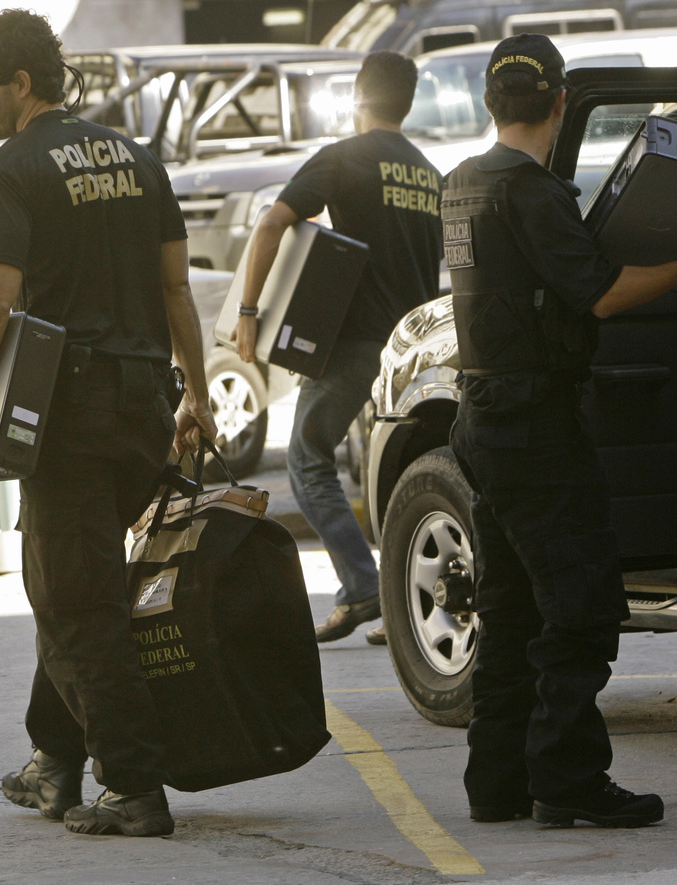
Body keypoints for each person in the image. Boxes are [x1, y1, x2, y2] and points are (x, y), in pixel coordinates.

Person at [443, 34, 677, 828]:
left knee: (513, 607)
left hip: (481, 419)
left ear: (493, 103)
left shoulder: (461, 184)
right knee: (580, 607)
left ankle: (497, 783)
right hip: (536, 426)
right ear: (558, 103)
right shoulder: (534, 191)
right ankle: (568, 776)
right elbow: (600, 294)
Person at [0, 10, 216, 837]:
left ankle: (130, 784)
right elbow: (175, 291)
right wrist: (195, 393)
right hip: (142, 411)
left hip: (70, 416)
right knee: (75, 577)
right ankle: (54, 760)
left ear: (21, 84)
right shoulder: (138, 156)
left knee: (74, 597)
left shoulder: (9, 169)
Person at [233, 51, 443, 643]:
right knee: (393, 472)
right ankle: (404, 607)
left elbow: (273, 223)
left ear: (357, 97)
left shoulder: (344, 159)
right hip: (413, 348)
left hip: (354, 342)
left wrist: (249, 312)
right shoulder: (429, 172)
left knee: (306, 457)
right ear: (407, 102)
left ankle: (360, 586)